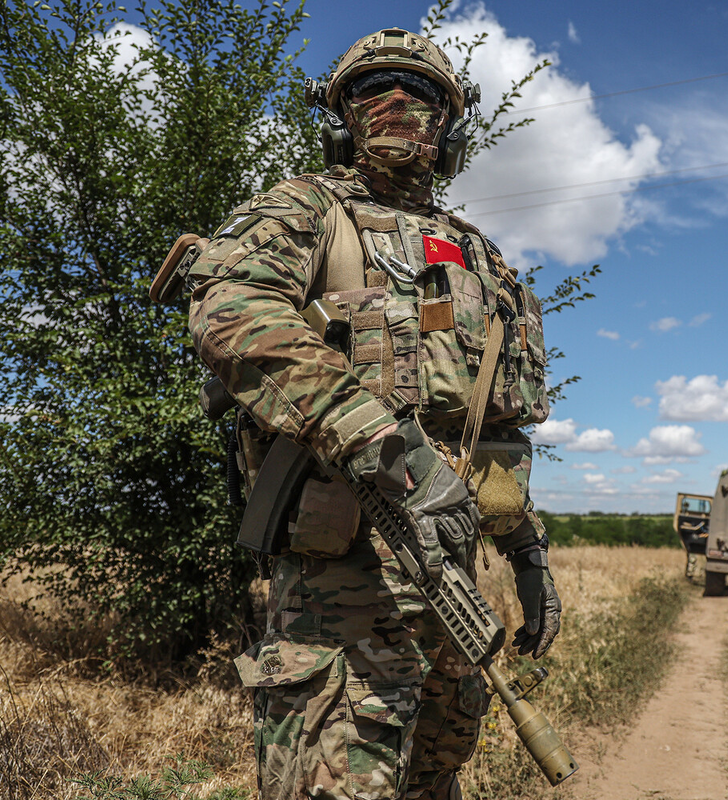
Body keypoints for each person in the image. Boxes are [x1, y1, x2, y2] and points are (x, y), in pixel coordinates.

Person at [185, 27, 561, 800]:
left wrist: (527, 553)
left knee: (437, 776)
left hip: (451, 592)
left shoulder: (477, 255)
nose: (396, 102)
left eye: (420, 90)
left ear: (449, 123)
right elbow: (231, 315)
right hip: (339, 598)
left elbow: (492, 429)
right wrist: (379, 439)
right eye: (370, 87)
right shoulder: (305, 210)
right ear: (340, 116)